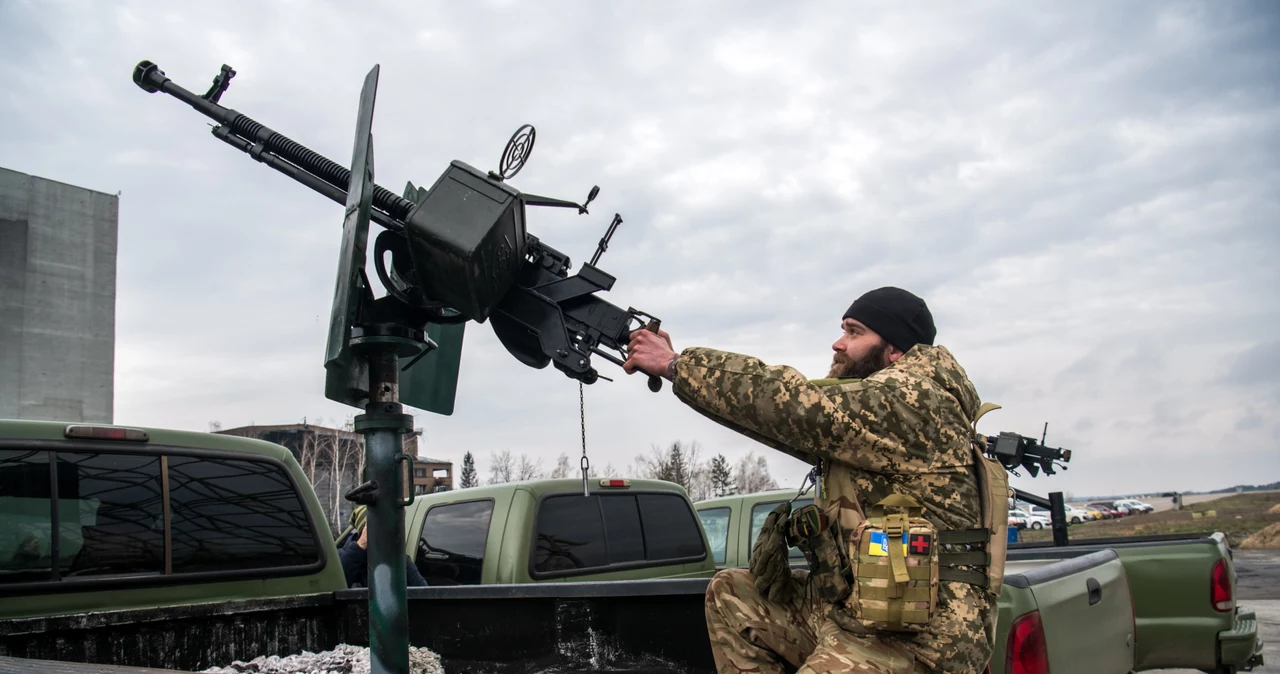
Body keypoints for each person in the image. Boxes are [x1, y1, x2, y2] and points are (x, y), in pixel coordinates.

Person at [623, 287, 999, 674]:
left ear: (895, 350)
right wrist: (677, 370)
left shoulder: (915, 397)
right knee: (733, 593)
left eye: (854, 332)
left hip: (922, 637)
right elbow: (772, 420)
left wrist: (675, 364)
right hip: (859, 614)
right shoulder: (871, 421)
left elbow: (789, 402)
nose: (839, 343)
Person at [338, 505, 429, 588]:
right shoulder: (341, 558)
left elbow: (423, 593)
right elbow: (334, 584)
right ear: (365, 530)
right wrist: (361, 545)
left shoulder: (399, 562)